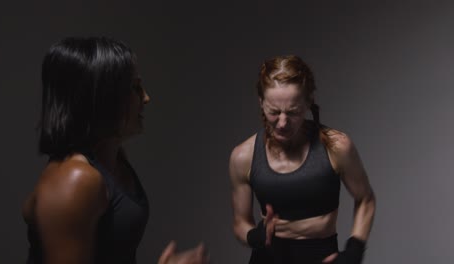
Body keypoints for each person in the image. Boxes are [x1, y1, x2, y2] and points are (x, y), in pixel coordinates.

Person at [22, 36, 209, 264]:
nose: (146, 98)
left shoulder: (113, 158)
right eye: (135, 88)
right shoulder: (75, 180)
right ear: (103, 96)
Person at [229, 55, 376, 263]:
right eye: (274, 112)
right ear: (261, 102)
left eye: (293, 112)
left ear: (308, 102)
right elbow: (240, 222)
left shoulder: (337, 147)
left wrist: (354, 251)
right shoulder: (243, 156)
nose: (282, 123)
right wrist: (253, 236)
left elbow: (366, 199)